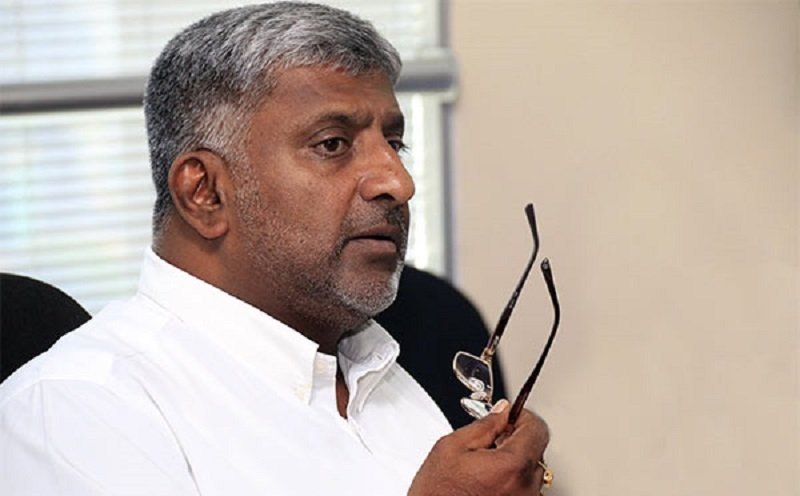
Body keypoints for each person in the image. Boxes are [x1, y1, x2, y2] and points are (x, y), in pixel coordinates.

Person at [0, 3, 550, 495]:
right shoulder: (78, 409)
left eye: (394, 143)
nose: (397, 182)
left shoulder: (377, 372)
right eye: (332, 144)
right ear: (205, 193)